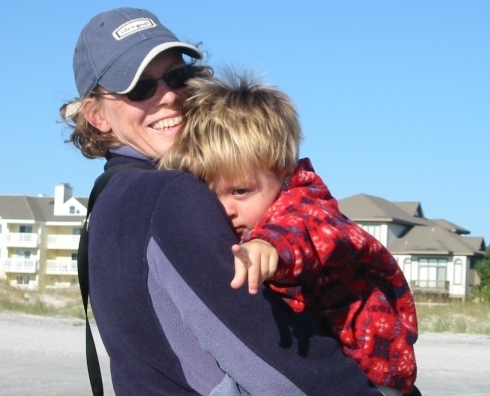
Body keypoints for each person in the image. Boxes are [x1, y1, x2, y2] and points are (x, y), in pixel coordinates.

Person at [60, 7, 386, 395]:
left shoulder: (109, 200)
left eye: (177, 76)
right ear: (96, 116)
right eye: (139, 88)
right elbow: (271, 359)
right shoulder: (170, 195)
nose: (168, 96)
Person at [159, 72, 419, 396]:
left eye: (240, 191)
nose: (226, 209)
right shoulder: (251, 213)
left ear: (282, 172)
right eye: (213, 195)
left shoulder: (307, 204)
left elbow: (300, 231)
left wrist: (268, 246)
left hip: (373, 372)